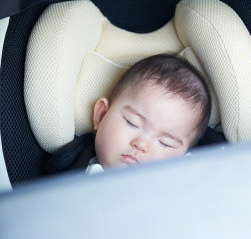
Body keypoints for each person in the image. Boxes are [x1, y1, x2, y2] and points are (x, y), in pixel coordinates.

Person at [45, 53, 212, 174]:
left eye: (165, 143)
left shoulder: (191, 182)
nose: (142, 144)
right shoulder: (68, 173)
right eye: (133, 123)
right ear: (101, 115)